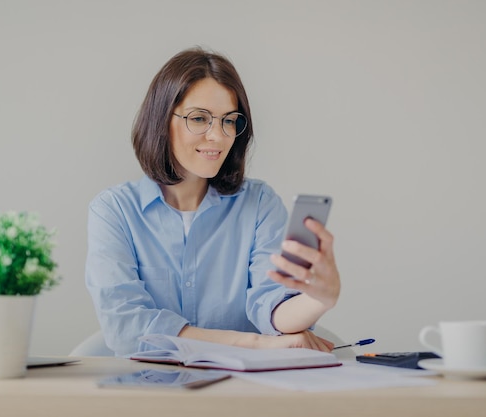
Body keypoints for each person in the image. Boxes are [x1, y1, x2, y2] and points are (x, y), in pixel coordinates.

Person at [85, 47, 341, 356]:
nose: (218, 136)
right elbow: (127, 328)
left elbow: (273, 310)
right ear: (161, 120)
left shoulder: (259, 204)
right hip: (150, 394)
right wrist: (254, 343)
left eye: (229, 121)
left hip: (241, 395)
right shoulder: (114, 211)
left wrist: (320, 298)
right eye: (199, 118)